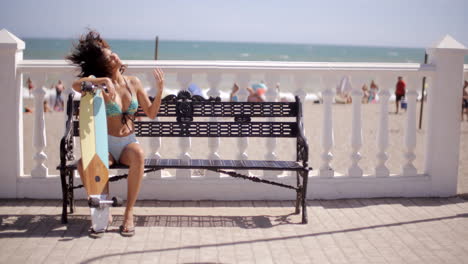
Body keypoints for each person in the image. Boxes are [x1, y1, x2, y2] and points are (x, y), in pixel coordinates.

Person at [66, 30, 164, 237]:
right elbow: (76, 85)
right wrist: (103, 82)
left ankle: (129, 213)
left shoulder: (134, 82)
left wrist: (160, 88)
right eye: (109, 57)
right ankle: (103, 207)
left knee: (138, 155)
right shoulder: (97, 85)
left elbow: (152, 113)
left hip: (128, 142)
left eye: (112, 53)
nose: (114, 56)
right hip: (105, 144)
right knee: (84, 164)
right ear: (103, 65)